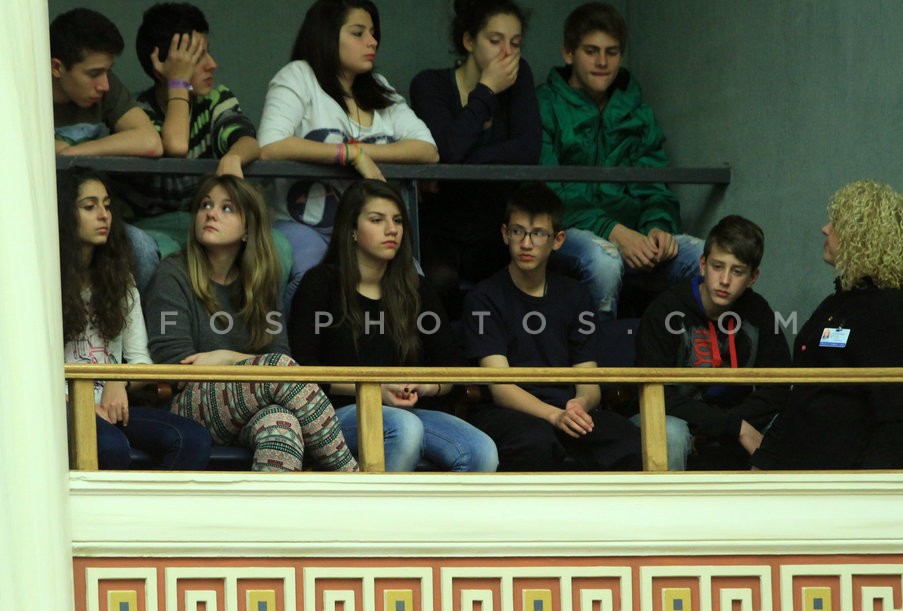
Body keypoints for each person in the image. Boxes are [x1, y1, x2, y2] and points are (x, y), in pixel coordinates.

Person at [143, 175, 358, 472]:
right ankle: (352, 477)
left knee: (282, 426)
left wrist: (226, 358)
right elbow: (178, 366)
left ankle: (268, 505)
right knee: (280, 371)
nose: (211, 214)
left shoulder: (258, 282)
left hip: (247, 408)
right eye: (206, 205)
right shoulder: (173, 274)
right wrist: (245, 365)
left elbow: (279, 355)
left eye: (227, 208)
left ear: (247, 229)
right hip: (185, 405)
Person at [288, 180, 498, 471]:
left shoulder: (417, 288)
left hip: (411, 410)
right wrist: (376, 389)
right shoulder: (320, 284)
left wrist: (423, 386)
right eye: (377, 220)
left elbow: (453, 366)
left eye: (397, 220)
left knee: (482, 451)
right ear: (352, 230)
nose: (392, 229)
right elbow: (303, 371)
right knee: (404, 428)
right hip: (336, 413)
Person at [258, 0, 438, 310]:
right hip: (303, 226)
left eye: (373, 33)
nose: (372, 41)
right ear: (327, 36)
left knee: (413, 281)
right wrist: (347, 154)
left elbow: (427, 150)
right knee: (313, 278)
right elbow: (270, 146)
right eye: (358, 33)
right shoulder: (299, 76)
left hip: (369, 228)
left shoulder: (379, 87)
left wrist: (361, 152)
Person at [752, 180, 903, 470]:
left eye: (836, 224)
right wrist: (762, 464)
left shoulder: (898, 313)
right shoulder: (835, 304)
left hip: (846, 482)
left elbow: (901, 424)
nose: (824, 229)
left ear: (862, 237)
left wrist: (866, 490)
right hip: (797, 474)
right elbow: (799, 397)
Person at [536, 2, 701, 320]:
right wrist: (612, 231)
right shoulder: (544, 104)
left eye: (611, 52)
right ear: (568, 53)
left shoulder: (637, 110)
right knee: (605, 261)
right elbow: (546, 193)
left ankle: (684, 348)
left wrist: (658, 228)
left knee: (706, 257)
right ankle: (598, 349)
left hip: (636, 238)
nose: (602, 62)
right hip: (567, 234)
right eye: (591, 51)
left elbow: (654, 185)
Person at [462, 182, 643, 471]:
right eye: (518, 231)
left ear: (557, 240)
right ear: (505, 234)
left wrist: (580, 404)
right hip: (508, 411)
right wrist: (553, 415)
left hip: (566, 407)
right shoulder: (484, 297)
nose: (526, 243)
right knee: (536, 442)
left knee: (629, 440)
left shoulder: (576, 295)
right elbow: (500, 387)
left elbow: (588, 379)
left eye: (538, 234)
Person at [114, 2, 291, 290]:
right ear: (162, 66)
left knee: (278, 247)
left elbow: (247, 141)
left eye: (208, 52)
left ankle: (260, 320)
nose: (212, 64)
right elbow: (176, 145)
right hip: (153, 225)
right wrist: (178, 83)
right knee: (162, 258)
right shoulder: (137, 111)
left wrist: (233, 158)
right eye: (197, 57)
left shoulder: (214, 99)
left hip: (209, 217)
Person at [58, 166, 211, 470]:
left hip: (111, 405)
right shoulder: (43, 282)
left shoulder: (120, 279)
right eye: (89, 206)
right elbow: (28, 373)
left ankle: (157, 505)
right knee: (111, 445)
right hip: (58, 406)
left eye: (107, 205)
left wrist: (120, 379)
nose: (104, 215)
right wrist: (80, 406)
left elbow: (142, 361)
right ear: (63, 215)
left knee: (193, 439)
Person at [409, 0, 540, 317]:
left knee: (525, 281)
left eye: (515, 43)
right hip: (440, 227)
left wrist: (453, 165)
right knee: (438, 283)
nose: (507, 53)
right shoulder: (430, 84)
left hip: (495, 228)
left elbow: (527, 151)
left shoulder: (521, 77)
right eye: (495, 41)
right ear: (469, 41)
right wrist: (487, 90)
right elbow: (447, 148)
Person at [633, 215, 790, 470]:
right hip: (675, 416)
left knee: (790, 421)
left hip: (737, 417)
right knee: (670, 433)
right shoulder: (665, 311)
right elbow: (656, 394)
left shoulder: (758, 311)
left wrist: (730, 424)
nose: (725, 280)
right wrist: (730, 426)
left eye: (737, 271)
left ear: (753, 277)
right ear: (703, 265)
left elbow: (778, 386)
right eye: (718, 267)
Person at [50, 7, 164, 288]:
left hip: (94, 213)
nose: (104, 84)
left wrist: (72, 153)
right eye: (94, 73)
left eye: (108, 72)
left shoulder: (104, 86)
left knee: (143, 249)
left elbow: (150, 142)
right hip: (41, 218)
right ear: (56, 68)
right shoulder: (23, 92)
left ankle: (132, 319)